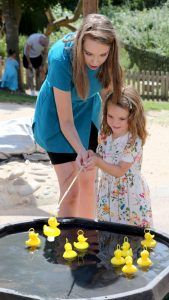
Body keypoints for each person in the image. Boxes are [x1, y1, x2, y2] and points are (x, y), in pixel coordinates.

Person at [32, 14, 123, 219]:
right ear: (80, 42)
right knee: (71, 192)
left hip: (87, 115)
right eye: (89, 54)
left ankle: (87, 245)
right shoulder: (60, 57)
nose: (95, 61)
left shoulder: (109, 60)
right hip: (56, 120)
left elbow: (110, 97)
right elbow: (65, 121)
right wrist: (81, 151)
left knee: (88, 182)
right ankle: (65, 246)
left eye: (102, 55)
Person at [85, 86, 153, 227]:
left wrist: (97, 162)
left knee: (130, 237)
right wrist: (94, 155)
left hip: (129, 196)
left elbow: (119, 170)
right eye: (110, 116)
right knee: (109, 232)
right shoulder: (105, 135)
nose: (115, 122)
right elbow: (103, 156)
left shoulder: (133, 141)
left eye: (122, 118)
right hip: (108, 193)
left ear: (133, 116)